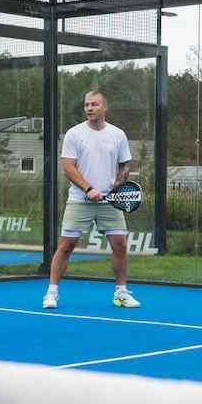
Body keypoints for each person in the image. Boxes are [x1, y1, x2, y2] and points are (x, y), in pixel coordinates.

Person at [43, 89, 139, 309]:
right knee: (66, 245)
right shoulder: (74, 134)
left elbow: (124, 164)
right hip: (80, 200)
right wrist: (88, 189)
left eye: (94, 104)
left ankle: (121, 293)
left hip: (109, 203)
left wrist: (122, 177)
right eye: (87, 105)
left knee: (120, 245)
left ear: (104, 108)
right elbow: (68, 167)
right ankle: (51, 292)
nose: (89, 108)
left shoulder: (118, 134)